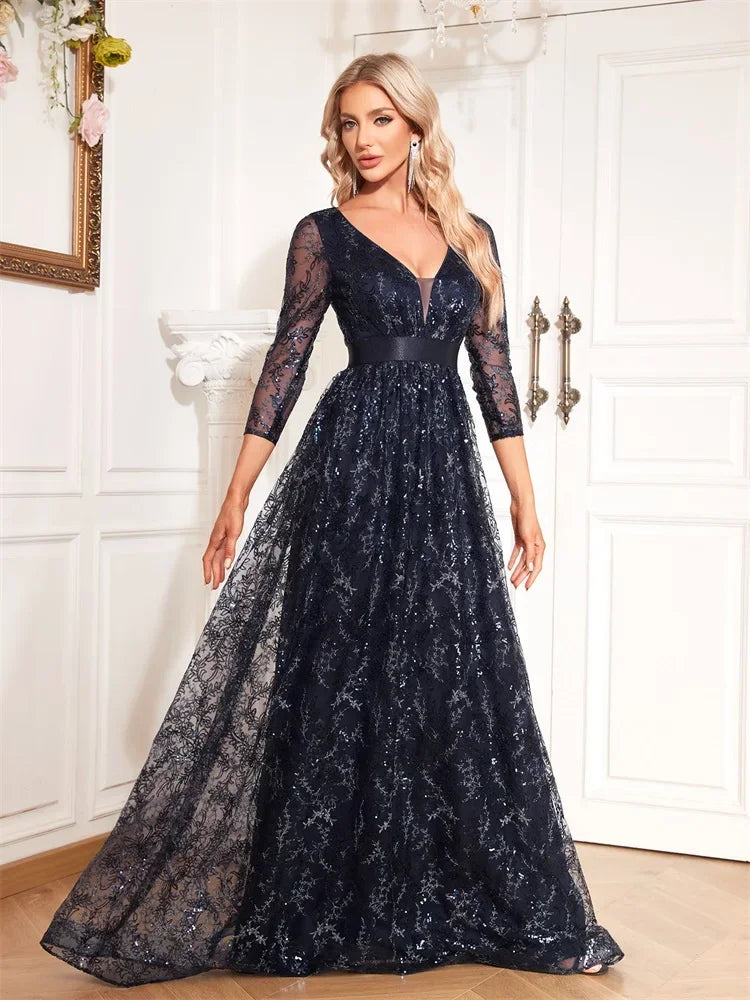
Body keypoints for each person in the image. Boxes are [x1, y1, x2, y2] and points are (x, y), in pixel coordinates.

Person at [39, 52, 624, 987]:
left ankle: (439, 883)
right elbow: (286, 362)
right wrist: (236, 492)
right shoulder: (323, 234)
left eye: (380, 119)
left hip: (444, 477)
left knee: (444, 669)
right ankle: (320, 894)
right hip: (351, 465)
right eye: (349, 123)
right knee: (341, 664)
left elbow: (496, 375)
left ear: (416, 126)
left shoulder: (473, 236)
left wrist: (525, 499)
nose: (363, 139)